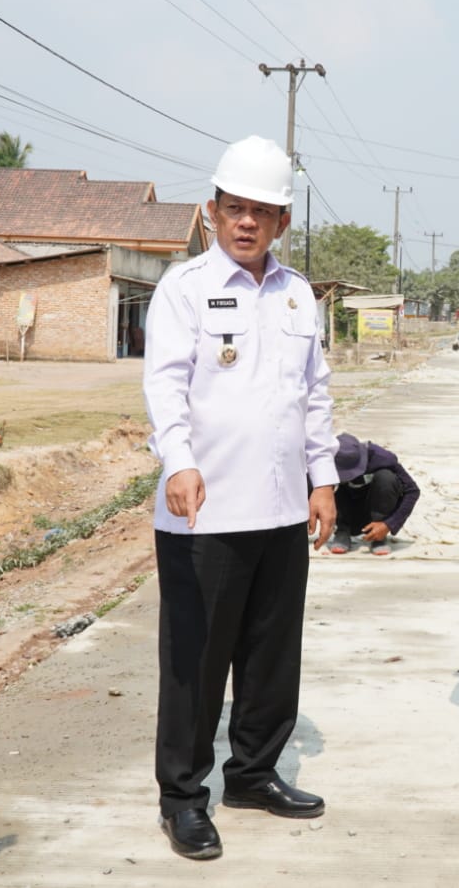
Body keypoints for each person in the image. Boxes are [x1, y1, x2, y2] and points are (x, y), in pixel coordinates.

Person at [143, 134, 339, 861]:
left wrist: (323, 479)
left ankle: (253, 773)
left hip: (283, 508)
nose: (247, 222)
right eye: (235, 208)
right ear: (211, 211)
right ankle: (183, 798)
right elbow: (164, 382)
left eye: (262, 211)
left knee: (270, 656)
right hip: (204, 513)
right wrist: (179, 460)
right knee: (195, 662)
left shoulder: (296, 294)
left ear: (282, 222)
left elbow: (313, 393)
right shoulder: (184, 288)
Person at [328, 432, 420, 556]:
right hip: (345, 511)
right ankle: (342, 531)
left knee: (386, 477)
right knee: (321, 483)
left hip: (374, 511)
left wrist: (389, 524)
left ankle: (378, 537)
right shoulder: (323, 459)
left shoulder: (383, 458)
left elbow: (412, 491)